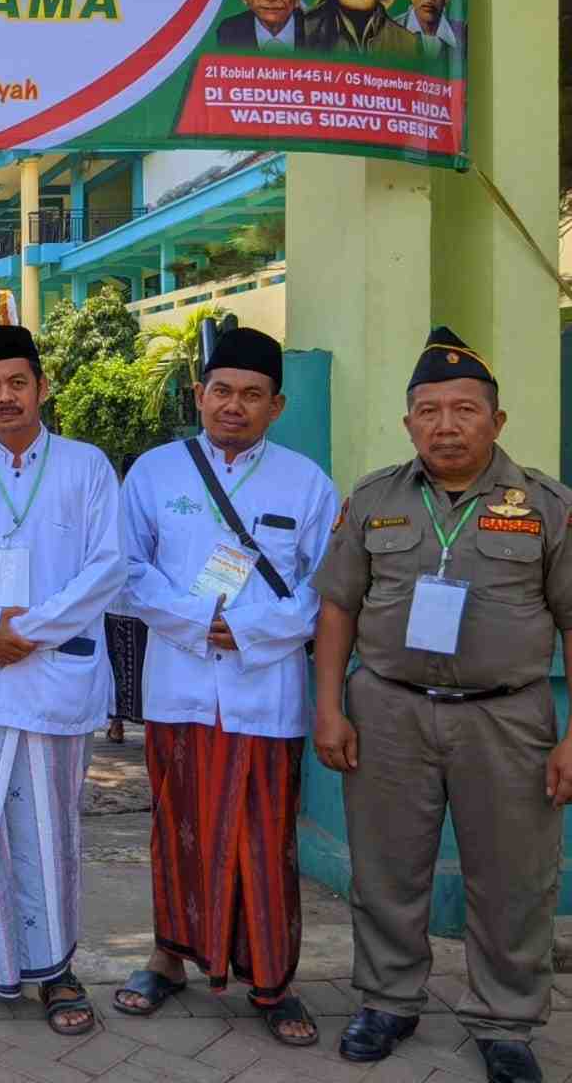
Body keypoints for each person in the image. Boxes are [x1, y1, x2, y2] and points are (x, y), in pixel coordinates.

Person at [313, 329, 572, 1083]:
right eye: (428, 411)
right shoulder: (373, 500)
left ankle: (505, 1021)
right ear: (408, 423)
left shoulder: (547, 506)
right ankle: (387, 1001)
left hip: (507, 717)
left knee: (513, 877)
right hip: (388, 710)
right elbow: (337, 607)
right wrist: (328, 707)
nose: (445, 425)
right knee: (386, 869)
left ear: (496, 420)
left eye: (464, 409)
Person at [111, 328, 338, 1050]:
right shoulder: (154, 472)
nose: (232, 406)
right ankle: (167, 957)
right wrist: (192, 620)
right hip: (179, 685)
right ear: (198, 395)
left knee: (264, 837)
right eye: (220, 391)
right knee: (175, 824)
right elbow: (125, 568)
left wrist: (249, 630)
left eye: (250, 394)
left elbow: (326, 587)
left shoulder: (306, 482)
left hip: (263, 690)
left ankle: (272, 978)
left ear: (276, 405)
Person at [0, 326, 124, 1034]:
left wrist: (30, 629)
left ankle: (57, 968)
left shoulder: (86, 467)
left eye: (17, 383)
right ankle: (0, 958)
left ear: (41, 387)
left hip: (52, 676)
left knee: (49, 829)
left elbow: (107, 567)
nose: (5, 397)